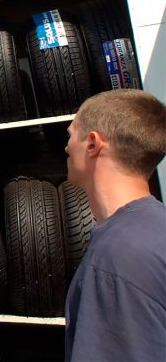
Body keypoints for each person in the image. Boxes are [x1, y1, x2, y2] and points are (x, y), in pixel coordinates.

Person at [64, 89, 166, 361]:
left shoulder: (117, 258)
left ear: (93, 144)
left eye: (71, 135)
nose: (66, 147)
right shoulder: (155, 229)